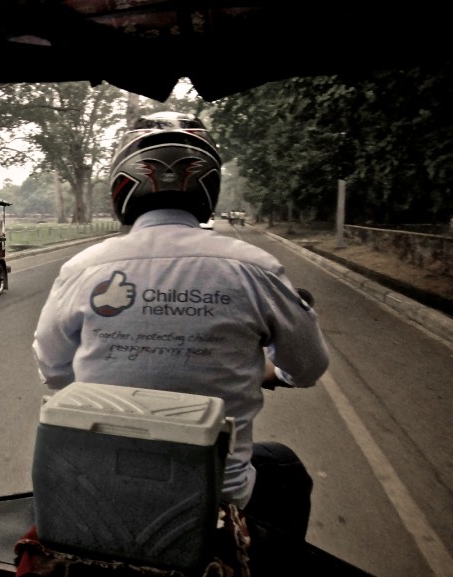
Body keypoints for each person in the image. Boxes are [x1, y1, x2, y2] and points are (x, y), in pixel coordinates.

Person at [31, 111, 329, 542]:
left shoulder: (83, 268)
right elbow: (308, 369)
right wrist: (270, 370)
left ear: (122, 185)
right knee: (284, 468)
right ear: (207, 184)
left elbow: (53, 371)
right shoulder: (254, 267)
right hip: (219, 499)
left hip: (99, 487)